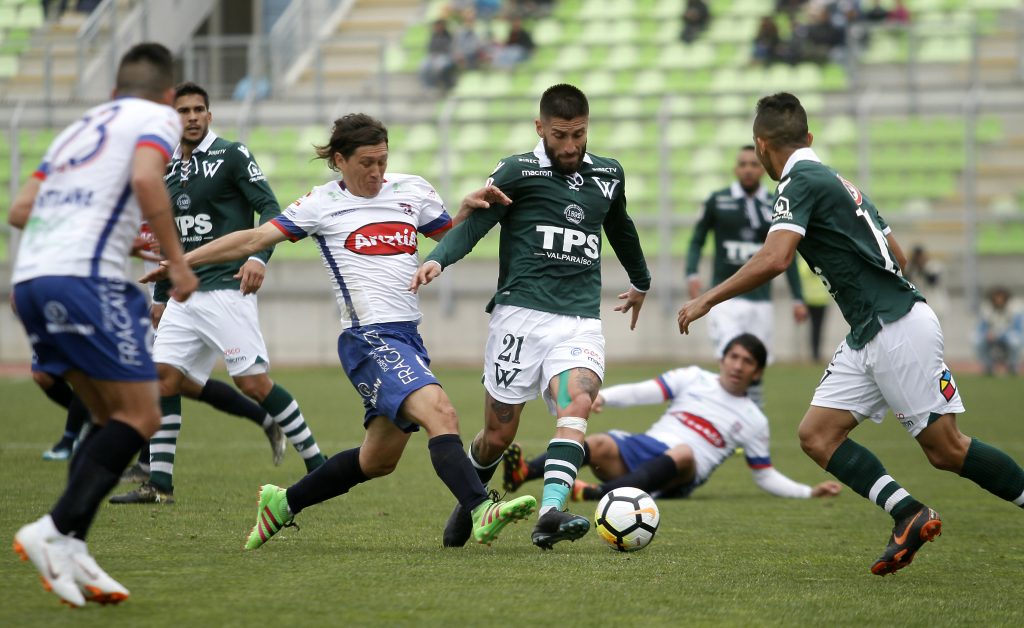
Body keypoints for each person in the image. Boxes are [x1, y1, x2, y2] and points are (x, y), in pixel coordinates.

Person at [141, 113, 536, 549]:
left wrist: (464, 209)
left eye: (383, 161)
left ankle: (283, 503)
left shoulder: (412, 189)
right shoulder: (320, 203)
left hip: (407, 337)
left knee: (377, 460)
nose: (377, 172)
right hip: (368, 338)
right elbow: (252, 240)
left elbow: (449, 236)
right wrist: (183, 261)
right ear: (340, 160)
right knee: (441, 412)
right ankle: (482, 510)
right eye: (366, 163)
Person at [677, 92, 1024, 576]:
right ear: (809, 138)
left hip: (896, 328)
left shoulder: (799, 180)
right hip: (872, 330)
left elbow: (776, 257)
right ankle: (909, 512)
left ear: (761, 146)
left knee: (946, 450)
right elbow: (898, 256)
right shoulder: (838, 181)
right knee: (817, 435)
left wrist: (707, 298)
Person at [410, 83, 651, 550]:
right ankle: (469, 502)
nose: (571, 146)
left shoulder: (608, 173)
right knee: (499, 434)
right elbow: (478, 222)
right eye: (560, 135)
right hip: (519, 318)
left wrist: (641, 281)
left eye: (579, 134)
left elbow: (620, 225)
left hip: (579, 320)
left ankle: (550, 513)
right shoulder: (516, 171)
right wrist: (439, 258)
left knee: (576, 402)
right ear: (540, 128)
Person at [9, 42, 198, 607]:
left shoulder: (79, 128)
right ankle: (51, 528)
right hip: (88, 280)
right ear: (168, 95)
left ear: (114, 91)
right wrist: (177, 259)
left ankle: (70, 545)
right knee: (142, 413)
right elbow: (146, 179)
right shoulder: (158, 118)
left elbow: (20, 209)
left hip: (30, 280)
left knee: (103, 417)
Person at [109, 82, 325, 505]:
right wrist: (160, 296)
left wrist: (259, 259)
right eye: (183, 111)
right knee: (163, 380)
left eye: (199, 110)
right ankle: (161, 485)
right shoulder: (165, 170)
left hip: (227, 286)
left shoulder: (232, 154)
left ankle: (318, 463)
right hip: (184, 296)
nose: (191, 117)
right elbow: (169, 241)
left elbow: (271, 212)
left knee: (253, 383)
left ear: (209, 116)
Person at [503, 334, 842, 503]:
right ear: (723, 359)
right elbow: (642, 392)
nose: (738, 365)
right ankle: (523, 472)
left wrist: (806, 492)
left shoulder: (755, 420)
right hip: (645, 450)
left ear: (757, 373)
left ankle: (596, 494)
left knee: (683, 452)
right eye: (734, 357)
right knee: (599, 442)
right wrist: (603, 396)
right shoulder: (694, 377)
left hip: (681, 472)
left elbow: (764, 474)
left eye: (748, 362)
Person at [685, 144, 807, 405]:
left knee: (754, 367)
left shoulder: (775, 203)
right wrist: (692, 273)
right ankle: (726, 425)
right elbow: (696, 240)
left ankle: (753, 424)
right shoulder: (717, 200)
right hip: (725, 299)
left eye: (754, 164)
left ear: (762, 169)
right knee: (730, 364)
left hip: (760, 300)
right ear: (735, 169)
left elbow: (788, 253)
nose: (748, 169)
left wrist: (798, 298)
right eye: (743, 164)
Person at [975, 287, 1022, 376]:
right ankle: (988, 366)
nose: (999, 300)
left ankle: (1012, 366)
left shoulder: (1015, 308)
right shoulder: (987, 308)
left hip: (1008, 336)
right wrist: (987, 334)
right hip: (991, 337)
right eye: (997, 297)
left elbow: (1018, 329)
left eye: (1001, 297)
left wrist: (1001, 335)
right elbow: (981, 328)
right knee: (977, 340)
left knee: (1015, 341)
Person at [799, 258, 830, 362]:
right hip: (809, 299)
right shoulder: (804, 259)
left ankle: (815, 354)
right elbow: (802, 273)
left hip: (821, 299)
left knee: (818, 329)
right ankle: (806, 354)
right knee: (808, 328)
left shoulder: (820, 258)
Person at [419, 18, 456, 91]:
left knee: (439, 67)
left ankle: (438, 85)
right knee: (424, 66)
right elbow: (429, 48)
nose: (438, 27)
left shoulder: (448, 36)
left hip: (444, 56)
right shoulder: (433, 36)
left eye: (439, 25)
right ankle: (428, 86)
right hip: (432, 56)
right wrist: (433, 55)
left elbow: (449, 49)